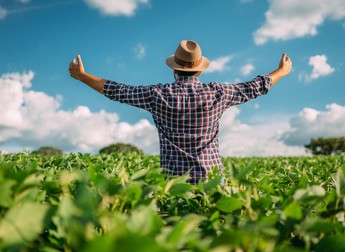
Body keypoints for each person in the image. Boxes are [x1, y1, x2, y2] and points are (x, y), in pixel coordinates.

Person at [69, 40, 292, 184]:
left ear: (174, 69)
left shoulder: (157, 95)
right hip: (211, 179)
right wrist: (281, 71)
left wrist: (82, 76)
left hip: (173, 182)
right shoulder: (218, 94)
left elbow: (117, 91)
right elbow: (254, 87)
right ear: (199, 70)